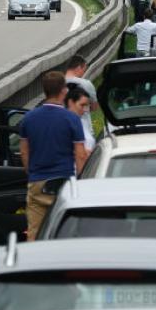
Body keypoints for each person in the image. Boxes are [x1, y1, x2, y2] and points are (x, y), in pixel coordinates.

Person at [19, 71, 88, 240]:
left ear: (45, 91)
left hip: (38, 182)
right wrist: (83, 181)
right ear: (64, 91)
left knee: (35, 230)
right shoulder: (72, 119)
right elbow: (80, 155)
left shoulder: (28, 118)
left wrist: (31, 172)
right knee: (66, 230)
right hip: (64, 182)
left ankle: (34, 262)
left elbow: (24, 151)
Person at [63, 55, 97, 150]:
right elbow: (94, 107)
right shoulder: (86, 84)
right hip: (84, 128)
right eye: (84, 69)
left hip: (63, 129)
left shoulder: (59, 83)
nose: (83, 73)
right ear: (79, 67)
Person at [65, 85, 94, 151]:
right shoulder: (64, 124)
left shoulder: (83, 121)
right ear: (70, 103)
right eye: (82, 105)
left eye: (86, 105)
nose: (85, 109)